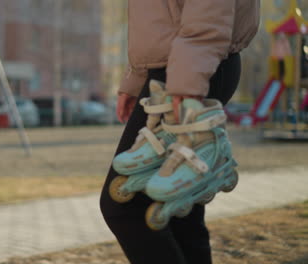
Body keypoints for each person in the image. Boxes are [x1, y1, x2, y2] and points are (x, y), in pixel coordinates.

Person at [100, 1, 260, 264]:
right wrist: (138, 77)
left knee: (126, 208)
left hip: (187, 67)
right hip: (180, 64)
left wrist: (188, 75)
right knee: (178, 215)